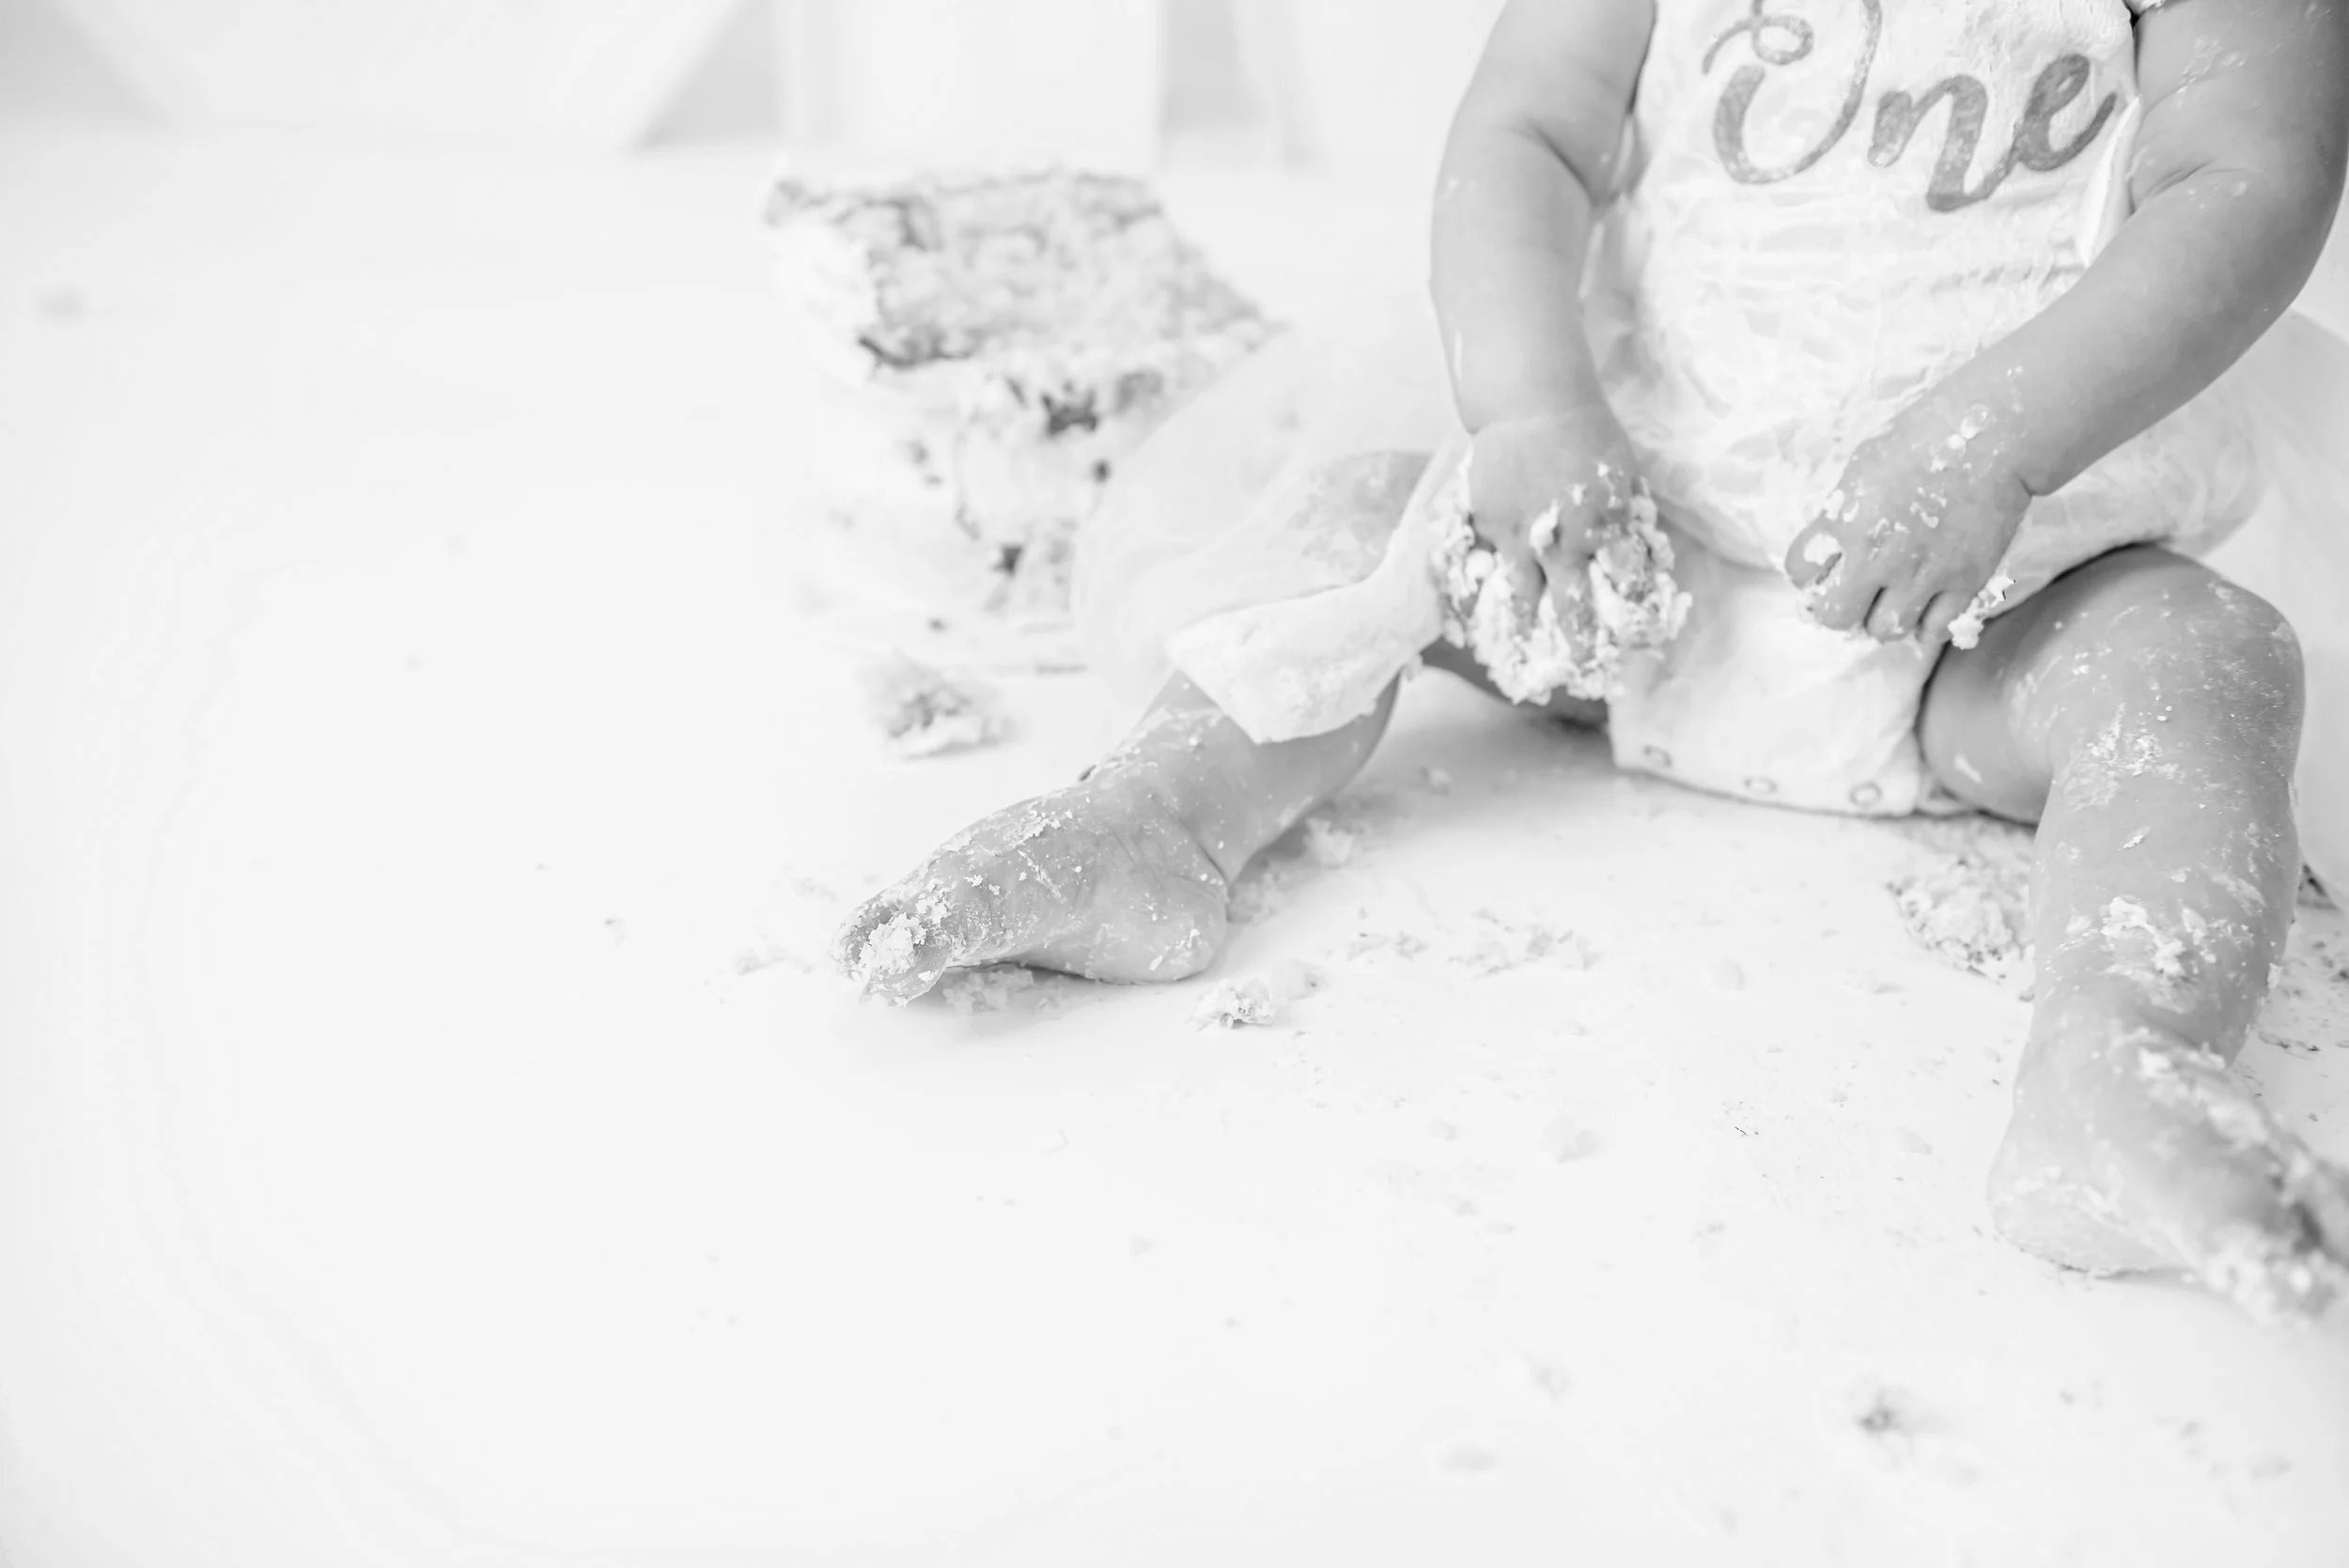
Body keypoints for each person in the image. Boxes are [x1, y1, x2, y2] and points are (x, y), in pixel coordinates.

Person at [836, 0, 2349, 1319]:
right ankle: (1159, 820)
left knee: (2202, 664)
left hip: (1999, 604)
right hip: (1623, 558)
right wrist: (1532, 410)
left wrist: (1995, 442)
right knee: (1360, 526)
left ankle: (2117, 1050)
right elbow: (1527, 135)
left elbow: (2246, 177)